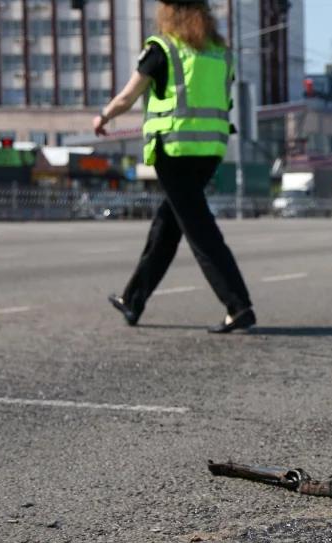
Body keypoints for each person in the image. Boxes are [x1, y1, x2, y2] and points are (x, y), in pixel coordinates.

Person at [95, 0, 255, 333]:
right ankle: (133, 300)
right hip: (210, 149)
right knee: (169, 224)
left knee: (199, 229)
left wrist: (104, 116)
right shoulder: (220, 53)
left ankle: (238, 305)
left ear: (170, 12)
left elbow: (127, 97)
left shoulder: (162, 48)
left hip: (175, 150)